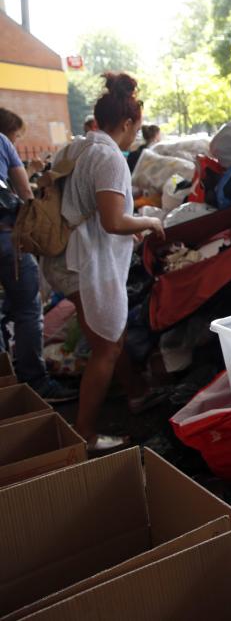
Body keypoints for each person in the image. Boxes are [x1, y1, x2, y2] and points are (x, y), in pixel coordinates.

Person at [41, 73, 165, 453]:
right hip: (84, 262)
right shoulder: (108, 155)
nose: (134, 137)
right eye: (135, 129)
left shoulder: (76, 147)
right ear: (126, 123)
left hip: (64, 256)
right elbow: (113, 221)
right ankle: (86, 435)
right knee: (107, 347)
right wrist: (149, 222)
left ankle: (135, 392)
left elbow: (67, 196)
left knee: (112, 332)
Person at [0, 108, 77, 401]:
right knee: (28, 309)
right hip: (8, 237)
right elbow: (25, 195)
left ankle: (5, 382)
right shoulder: (1, 142)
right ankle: (35, 382)